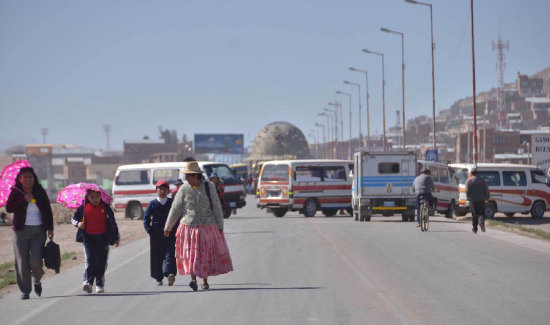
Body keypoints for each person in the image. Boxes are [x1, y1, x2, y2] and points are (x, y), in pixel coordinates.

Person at [164, 161, 233, 291]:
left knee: (204, 255)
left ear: (196, 176)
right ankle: (193, 280)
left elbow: (217, 206)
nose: (186, 179)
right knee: (191, 256)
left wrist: (220, 225)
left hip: (207, 226)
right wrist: (168, 227)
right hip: (188, 227)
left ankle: (204, 281)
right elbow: (175, 209)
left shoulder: (209, 187)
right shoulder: (183, 189)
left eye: (188, 176)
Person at [6, 167, 54, 300]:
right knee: (22, 262)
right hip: (20, 232)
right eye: (25, 177)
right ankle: (25, 291)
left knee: (35, 261)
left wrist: (50, 228)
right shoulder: (16, 192)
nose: (28, 179)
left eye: (30, 177)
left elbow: (47, 210)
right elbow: (9, 208)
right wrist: (23, 200)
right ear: (20, 179)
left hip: (38, 231)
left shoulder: (40, 191)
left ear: (34, 178)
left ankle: (37, 280)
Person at [72, 189, 120, 294]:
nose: (95, 199)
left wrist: (116, 236)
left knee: (101, 262)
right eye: (92, 197)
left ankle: (99, 284)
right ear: (87, 197)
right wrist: (78, 224)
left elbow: (113, 223)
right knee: (90, 260)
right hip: (88, 238)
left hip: (103, 238)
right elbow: (74, 218)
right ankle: (87, 282)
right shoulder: (83, 208)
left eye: (97, 197)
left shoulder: (106, 208)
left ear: (100, 197)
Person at [143, 180, 176, 286]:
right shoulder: (152, 204)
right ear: (156, 190)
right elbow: (146, 219)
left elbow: (177, 216)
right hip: (156, 234)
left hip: (170, 233)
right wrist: (149, 230)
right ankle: (159, 278)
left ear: (168, 191)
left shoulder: (172, 203)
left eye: (165, 189)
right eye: (160, 189)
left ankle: (170, 273)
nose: (163, 191)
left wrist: (176, 229)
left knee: (170, 254)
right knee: (157, 256)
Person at [465, 167, 490, 234]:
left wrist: (468, 197)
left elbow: (467, 190)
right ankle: (481, 222)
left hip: (473, 200)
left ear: (471, 173)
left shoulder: (469, 180)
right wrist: (487, 198)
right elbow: (486, 190)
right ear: (477, 173)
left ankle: (474, 229)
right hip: (481, 200)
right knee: (481, 213)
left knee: (474, 214)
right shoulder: (482, 180)